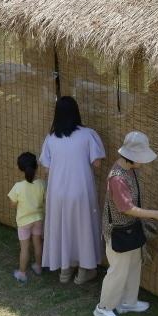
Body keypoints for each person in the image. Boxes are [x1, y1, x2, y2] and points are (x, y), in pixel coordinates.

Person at [94, 131, 158, 316]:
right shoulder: (117, 178)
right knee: (118, 271)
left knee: (134, 264)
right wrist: (156, 214)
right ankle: (103, 308)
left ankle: (128, 302)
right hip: (118, 231)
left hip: (131, 229)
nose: (143, 161)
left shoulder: (130, 169)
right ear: (131, 157)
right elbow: (126, 208)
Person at [40, 95, 106, 284]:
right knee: (83, 227)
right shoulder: (88, 134)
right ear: (76, 112)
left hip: (57, 192)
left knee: (62, 228)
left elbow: (46, 168)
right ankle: (85, 270)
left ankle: (65, 270)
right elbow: (97, 163)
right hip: (80, 189)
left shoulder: (51, 138)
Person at [9, 152, 46, 283]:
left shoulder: (18, 187)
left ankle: (22, 273)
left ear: (20, 168)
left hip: (24, 222)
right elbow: (44, 199)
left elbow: (13, 204)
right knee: (38, 243)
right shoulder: (42, 184)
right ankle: (38, 266)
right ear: (36, 167)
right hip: (38, 219)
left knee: (24, 248)